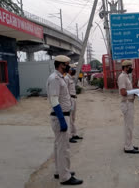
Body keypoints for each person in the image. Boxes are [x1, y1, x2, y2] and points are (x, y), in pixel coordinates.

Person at [46, 55, 83, 185]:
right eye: (67, 64)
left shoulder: (59, 78)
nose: (69, 66)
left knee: (58, 146)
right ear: (61, 65)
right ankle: (65, 176)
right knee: (63, 148)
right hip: (60, 116)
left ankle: (59, 171)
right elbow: (54, 100)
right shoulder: (55, 78)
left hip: (62, 115)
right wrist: (62, 119)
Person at [117, 60, 139, 154]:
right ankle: (128, 147)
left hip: (129, 103)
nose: (131, 68)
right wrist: (135, 91)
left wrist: (135, 92)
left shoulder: (126, 76)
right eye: (130, 67)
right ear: (125, 67)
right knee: (128, 126)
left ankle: (129, 144)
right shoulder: (122, 77)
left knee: (130, 125)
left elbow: (128, 91)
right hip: (126, 103)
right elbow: (123, 92)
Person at [64, 64, 83, 143]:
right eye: (73, 68)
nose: (74, 70)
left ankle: (74, 133)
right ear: (69, 70)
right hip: (70, 99)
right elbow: (65, 91)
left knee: (73, 118)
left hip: (74, 99)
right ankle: (69, 136)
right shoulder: (66, 78)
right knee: (70, 118)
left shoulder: (70, 78)